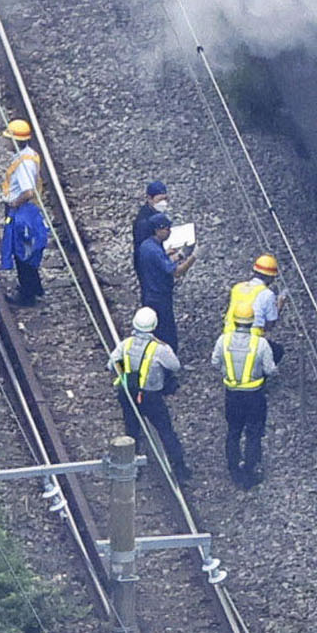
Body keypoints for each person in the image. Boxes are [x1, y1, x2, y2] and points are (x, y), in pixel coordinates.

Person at [110, 307, 190, 483]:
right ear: (154, 325)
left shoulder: (126, 344)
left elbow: (112, 363)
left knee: (131, 431)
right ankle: (180, 468)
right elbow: (175, 366)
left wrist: (128, 374)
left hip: (128, 393)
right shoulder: (160, 349)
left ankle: (132, 468)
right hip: (151, 397)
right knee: (165, 431)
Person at [210, 297, 278, 488]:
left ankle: (233, 468)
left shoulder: (223, 341)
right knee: (254, 432)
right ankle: (250, 468)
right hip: (254, 395)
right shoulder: (261, 344)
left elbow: (215, 363)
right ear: (252, 321)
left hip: (232, 394)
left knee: (233, 431)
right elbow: (270, 369)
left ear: (234, 319)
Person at [0, 118, 49, 305]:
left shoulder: (24, 163)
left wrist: (14, 203)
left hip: (22, 211)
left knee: (23, 250)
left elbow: (28, 191)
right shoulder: (30, 155)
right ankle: (34, 286)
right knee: (26, 249)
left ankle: (27, 295)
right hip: (26, 210)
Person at [136, 212, 197, 351]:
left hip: (149, 293)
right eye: (167, 229)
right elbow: (177, 272)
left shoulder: (148, 245)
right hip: (159, 297)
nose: (169, 232)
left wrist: (181, 254)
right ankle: (167, 360)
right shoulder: (154, 250)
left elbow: (162, 263)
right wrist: (194, 256)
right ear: (158, 230)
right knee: (166, 331)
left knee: (155, 329)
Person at [223, 253, 285, 363]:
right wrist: (279, 305)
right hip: (251, 341)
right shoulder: (267, 294)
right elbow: (269, 326)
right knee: (277, 351)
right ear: (270, 277)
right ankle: (260, 375)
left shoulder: (237, 288)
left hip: (227, 337)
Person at [131, 179, 171, 281]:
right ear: (149, 198)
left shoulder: (154, 212)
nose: (164, 203)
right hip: (148, 265)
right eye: (160, 200)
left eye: (165, 199)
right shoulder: (144, 222)